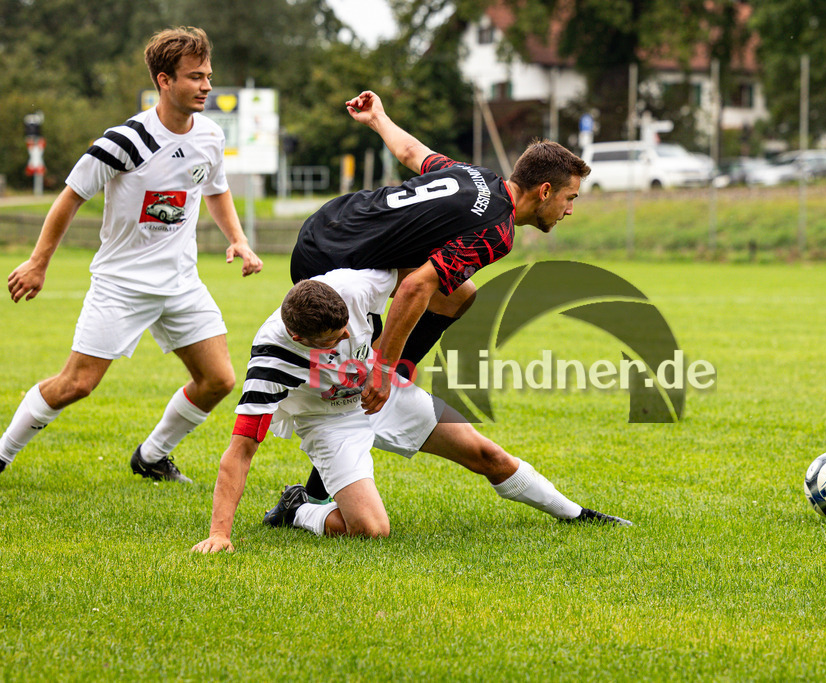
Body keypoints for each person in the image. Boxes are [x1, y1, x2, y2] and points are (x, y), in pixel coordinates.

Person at [190, 270, 630, 553]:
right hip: (328, 422)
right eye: (332, 339)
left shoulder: (354, 286)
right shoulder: (271, 360)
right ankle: (298, 509)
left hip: (382, 392)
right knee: (371, 530)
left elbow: (416, 273)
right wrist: (219, 534)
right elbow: (241, 450)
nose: (346, 337)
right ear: (300, 339)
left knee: (487, 455)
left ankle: (576, 514)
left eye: (346, 328)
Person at [289, 90, 590, 501]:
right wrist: (382, 368)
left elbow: (412, 153)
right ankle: (307, 500)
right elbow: (416, 286)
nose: (569, 210)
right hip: (332, 266)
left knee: (460, 293)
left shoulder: (476, 176)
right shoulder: (498, 232)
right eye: (569, 198)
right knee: (360, 385)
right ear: (544, 191)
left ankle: (395, 371)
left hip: (330, 223)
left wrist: (378, 118)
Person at [0, 27, 262, 481]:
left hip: (181, 283)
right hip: (121, 285)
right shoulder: (123, 141)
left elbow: (215, 189)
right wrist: (38, 262)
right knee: (76, 384)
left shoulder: (210, 135)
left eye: (208, 75)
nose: (207, 86)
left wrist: (238, 238)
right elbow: (70, 196)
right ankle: (2, 453)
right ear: (164, 80)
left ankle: (152, 456)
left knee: (219, 380)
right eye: (195, 77)